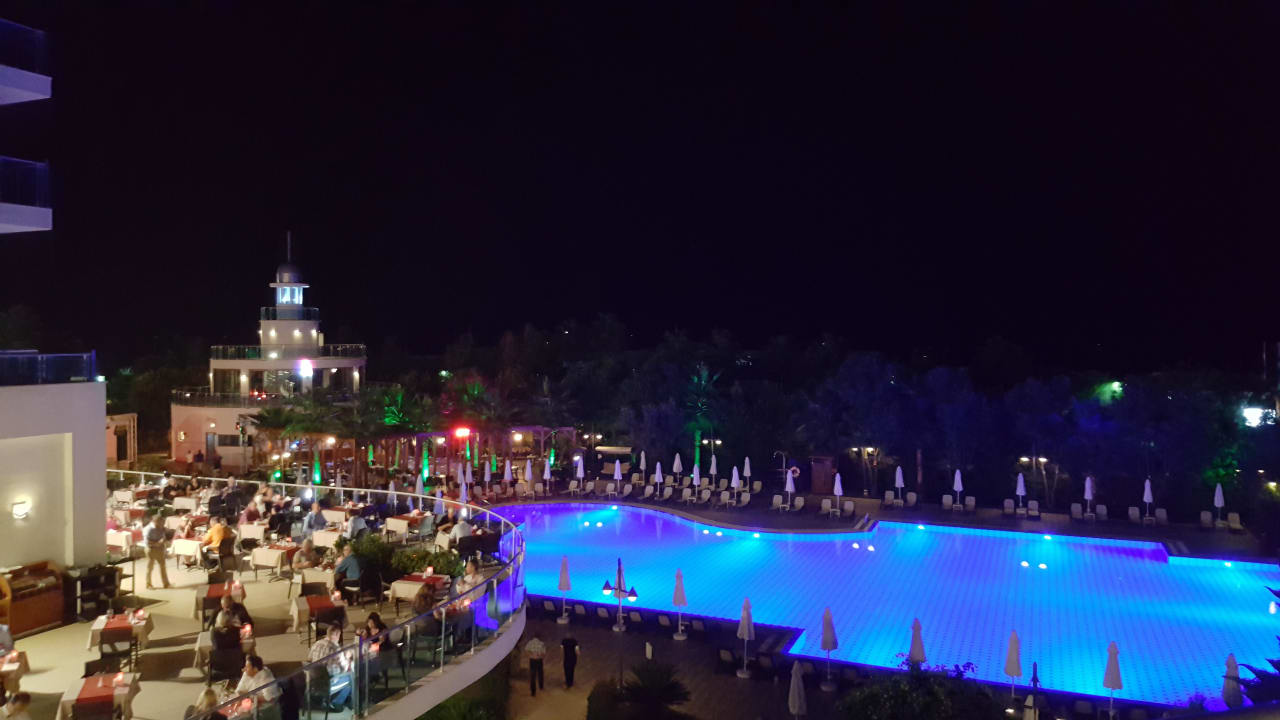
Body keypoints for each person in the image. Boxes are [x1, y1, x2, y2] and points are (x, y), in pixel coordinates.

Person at [307, 625, 354, 708]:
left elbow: (309, 659)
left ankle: (323, 699)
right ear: (336, 634)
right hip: (328, 683)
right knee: (351, 676)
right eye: (339, 635)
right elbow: (344, 668)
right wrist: (347, 658)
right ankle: (337, 703)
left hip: (313, 681)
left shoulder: (316, 644)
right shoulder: (336, 649)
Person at [144, 514, 171, 589]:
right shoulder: (150, 529)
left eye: (162, 522)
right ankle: (148, 584)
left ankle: (166, 584)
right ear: (155, 522)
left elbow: (166, 537)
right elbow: (147, 542)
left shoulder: (162, 528)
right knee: (150, 567)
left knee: (163, 567)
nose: (162, 524)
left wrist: (163, 540)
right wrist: (157, 543)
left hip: (160, 549)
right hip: (151, 549)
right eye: (160, 522)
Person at [523, 632, 546, 697]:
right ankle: (541, 686)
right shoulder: (542, 643)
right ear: (539, 637)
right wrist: (540, 656)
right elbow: (544, 653)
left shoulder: (530, 643)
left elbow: (526, 650)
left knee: (532, 675)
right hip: (539, 660)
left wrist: (530, 655)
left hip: (532, 660)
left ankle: (533, 691)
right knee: (540, 673)